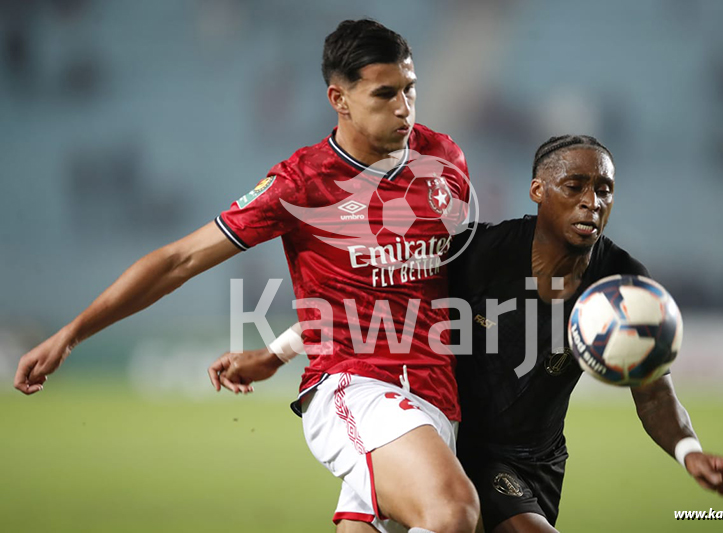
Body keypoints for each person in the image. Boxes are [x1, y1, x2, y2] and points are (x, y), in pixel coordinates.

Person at [14, 19, 480, 533]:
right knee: (452, 513)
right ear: (339, 99)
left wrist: (277, 351)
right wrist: (71, 334)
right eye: (384, 94)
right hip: (354, 386)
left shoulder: (444, 161)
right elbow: (179, 260)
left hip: (436, 393)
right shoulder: (303, 183)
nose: (404, 107)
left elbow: (408, 292)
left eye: (410, 89)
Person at [221, 135, 723, 532]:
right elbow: (370, 307)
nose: (592, 202)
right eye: (575, 186)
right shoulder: (479, 254)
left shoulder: (622, 286)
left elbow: (654, 392)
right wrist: (275, 354)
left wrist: (690, 451)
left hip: (534, 460)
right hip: (439, 437)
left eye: (605, 189)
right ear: (538, 191)